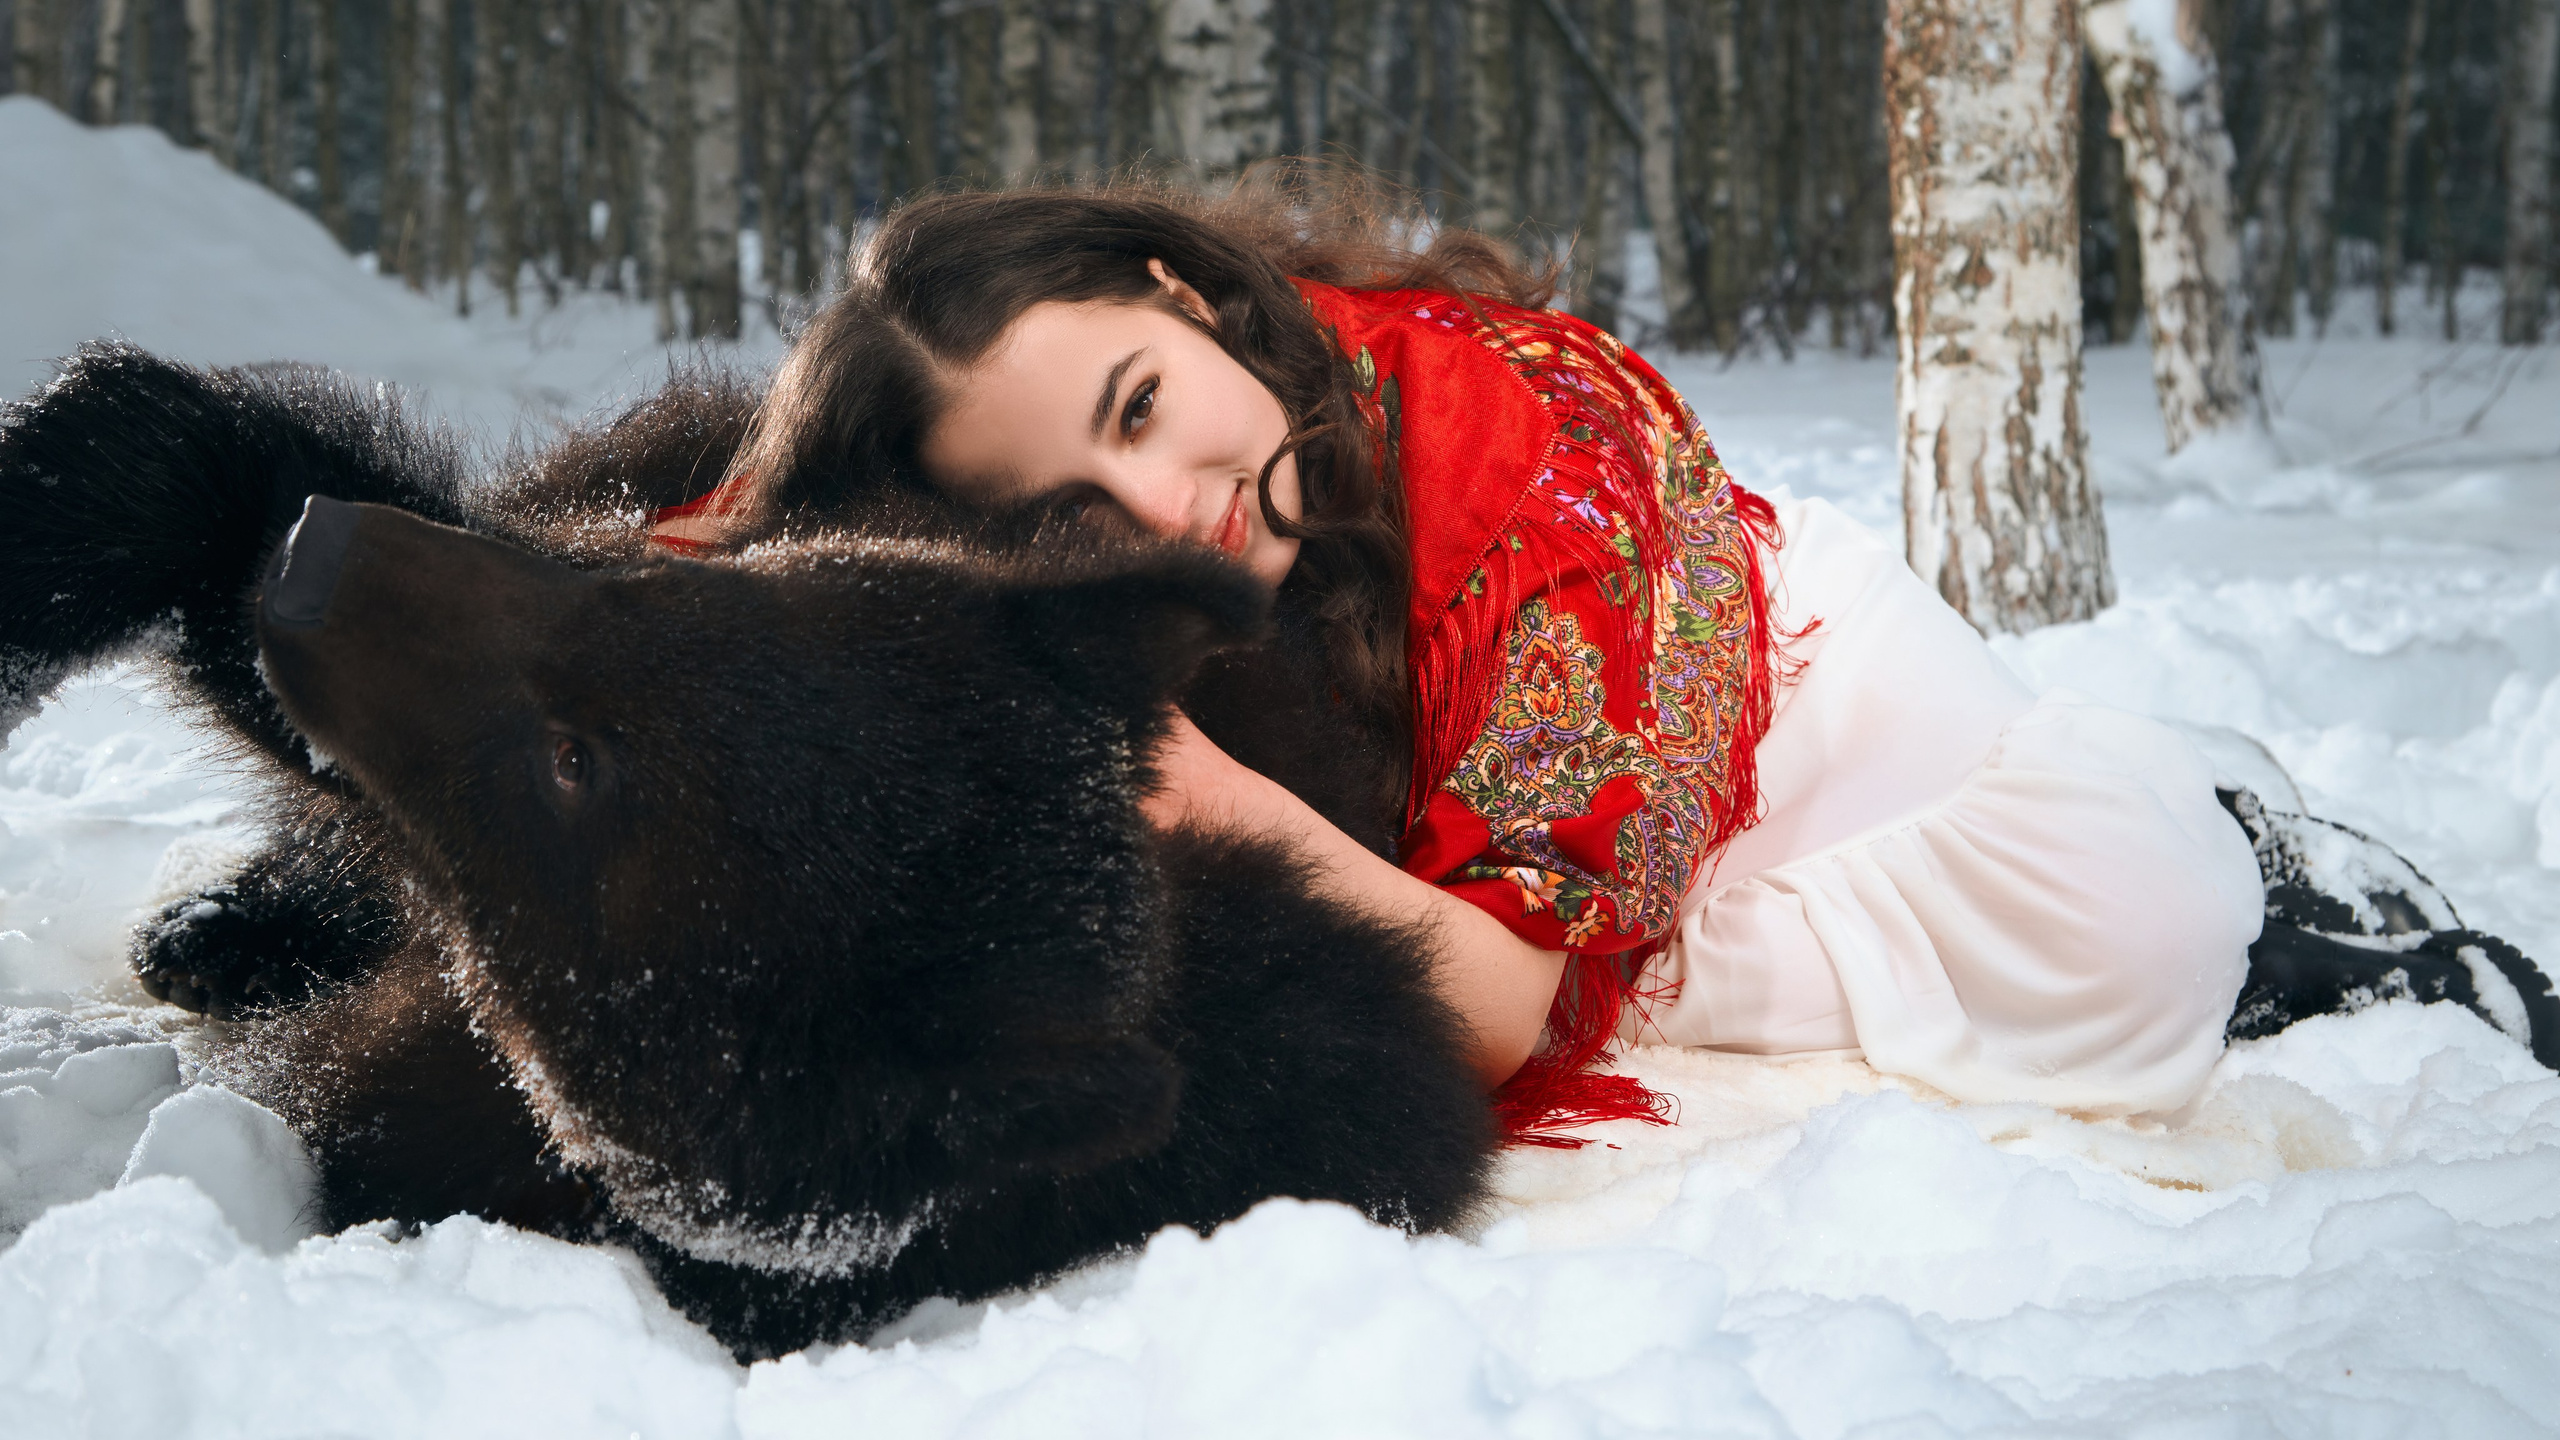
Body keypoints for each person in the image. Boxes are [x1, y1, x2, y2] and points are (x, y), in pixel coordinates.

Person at [643, 175, 2474, 1142]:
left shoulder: (1532, 453)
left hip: (1849, 771)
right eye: (1070, 498)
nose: (1158, 500)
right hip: (1518, 814)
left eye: (1141, 402)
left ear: (1186, 293)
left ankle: (2281, 876)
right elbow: (760, 545)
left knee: (2138, 928)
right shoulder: (1146, 474)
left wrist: (1207, 796)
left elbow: (1506, 1009)